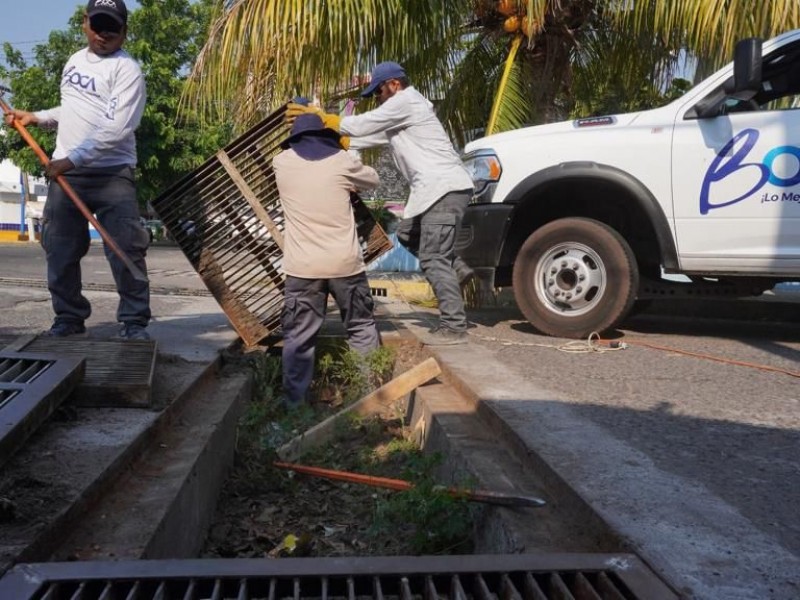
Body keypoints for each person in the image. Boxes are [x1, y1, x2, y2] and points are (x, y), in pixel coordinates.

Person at [287, 61, 475, 345]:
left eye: (379, 92)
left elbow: (364, 123)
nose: (377, 97)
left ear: (394, 85)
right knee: (407, 233)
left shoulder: (406, 101)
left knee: (433, 257)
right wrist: (330, 136)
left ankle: (454, 325)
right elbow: (365, 135)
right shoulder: (400, 114)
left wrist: (322, 117)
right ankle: (457, 270)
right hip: (434, 191)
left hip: (444, 188)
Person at [4, 0, 151, 340]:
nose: (104, 35)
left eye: (112, 28)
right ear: (85, 23)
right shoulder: (73, 61)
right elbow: (74, 109)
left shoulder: (127, 70)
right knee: (59, 246)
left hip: (112, 173)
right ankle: (69, 319)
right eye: (97, 25)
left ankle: (134, 322)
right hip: (67, 173)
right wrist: (38, 117)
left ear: (124, 32)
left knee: (125, 247)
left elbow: (117, 128)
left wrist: (72, 160)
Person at [273, 113, 382, 408]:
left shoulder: (281, 163)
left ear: (294, 140)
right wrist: (349, 171)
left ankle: (295, 406)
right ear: (325, 137)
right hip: (344, 264)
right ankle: (369, 395)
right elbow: (373, 179)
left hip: (302, 269)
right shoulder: (341, 161)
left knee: (299, 337)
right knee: (360, 326)